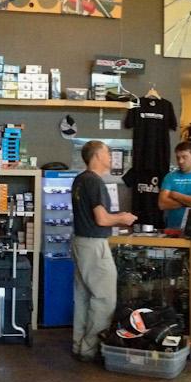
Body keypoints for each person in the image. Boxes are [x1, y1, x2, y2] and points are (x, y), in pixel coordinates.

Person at [71, 141, 138, 361]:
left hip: (80, 242)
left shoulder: (80, 179)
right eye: (108, 153)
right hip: (94, 245)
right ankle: (91, 348)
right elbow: (101, 219)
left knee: (83, 297)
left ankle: (79, 345)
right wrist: (122, 218)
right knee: (104, 299)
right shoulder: (95, 181)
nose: (110, 157)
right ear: (98, 155)